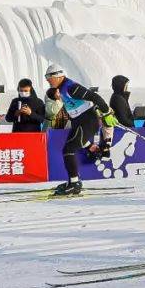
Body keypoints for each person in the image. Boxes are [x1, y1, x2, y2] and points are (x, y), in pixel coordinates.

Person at [43, 65, 112, 196]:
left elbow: (94, 97)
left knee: (68, 150)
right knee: (71, 146)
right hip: (79, 122)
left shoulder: (71, 87)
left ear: (58, 76)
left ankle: (74, 183)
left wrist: (107, 112)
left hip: (87, 120)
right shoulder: (60, 89)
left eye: (49, 77)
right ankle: (73, 180)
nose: (47, 80)